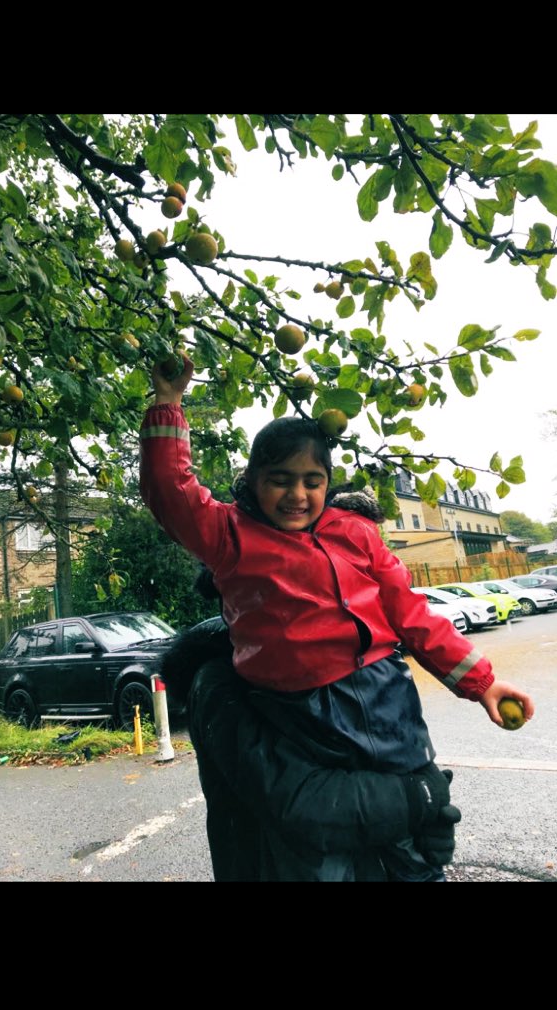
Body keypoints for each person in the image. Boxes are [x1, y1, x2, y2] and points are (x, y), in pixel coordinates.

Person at [141, 355, 534, 882]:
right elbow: (172, 495)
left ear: (328, 482)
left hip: (386, 696)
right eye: (280, 480)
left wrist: (481, 683)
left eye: (312, 481)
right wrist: (168, 404)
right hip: (300, 714)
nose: (297, 495)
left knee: (415, 831)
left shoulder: (356, 533)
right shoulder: (229, 537)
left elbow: (410, 613)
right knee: (324, 842)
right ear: (252, 481)